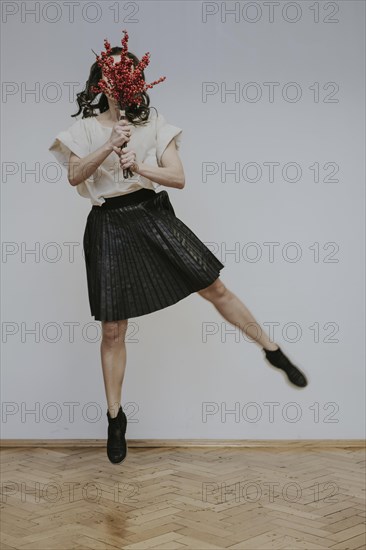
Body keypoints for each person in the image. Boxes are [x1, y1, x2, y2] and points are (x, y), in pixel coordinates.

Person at [49, 47, 308, 465]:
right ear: (102, 81)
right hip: (108, 225)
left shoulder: (152, 123)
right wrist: (108, 145)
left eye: (129, 72)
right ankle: (115, 417)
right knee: (113, 329)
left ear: (136, 79)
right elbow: (75, 176)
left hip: (151, 214)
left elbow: (179, 177)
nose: (122, 79)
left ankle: (271, 349)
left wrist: (142, 167)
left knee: (214, 286)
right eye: (114, 73)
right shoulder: (81, 130)